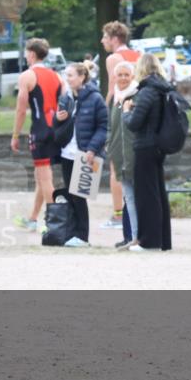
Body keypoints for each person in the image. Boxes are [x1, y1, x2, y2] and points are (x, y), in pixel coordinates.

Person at [11, 37, 63, 232]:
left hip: (40, 130)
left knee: (45, 177)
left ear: (31, 54)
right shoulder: (57, 76)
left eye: (26, 53)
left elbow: (21, 109)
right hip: (56, 129)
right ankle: (33, 218)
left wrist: (15, 134)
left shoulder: (27, 76)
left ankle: (54, 223)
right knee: (40, 176)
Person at [122, 53, 172, 252]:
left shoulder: (147, 91)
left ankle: (148, 241)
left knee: (146, 195)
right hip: (158, 146)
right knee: (158, 193)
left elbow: (134, 124)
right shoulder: (161, 89)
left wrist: (127, 110)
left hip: (145, 146)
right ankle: (162, 239)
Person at [55, 62, 108, 247]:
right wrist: (58, 118)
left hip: (85, 154)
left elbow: (103, 127)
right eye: (66, 75)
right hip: (66, 153)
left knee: (79, 195)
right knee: (69, 195)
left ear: (82, 77)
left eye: (70, 75)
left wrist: (92, 149)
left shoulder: (95, 99)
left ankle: (82, 236)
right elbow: (59, 125)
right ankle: (70, 233)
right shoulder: (66, 97)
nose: (67, 79)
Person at [100, 21, 141, 230]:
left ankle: (118, 214)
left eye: (105, 37)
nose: (102, 41)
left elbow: (111, 89)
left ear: (114, 39)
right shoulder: (139, 55)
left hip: (120, 112)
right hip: (139, 113)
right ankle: (136, 210)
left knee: (116, 163)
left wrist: (103, 113)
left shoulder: (114, 58)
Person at [106, 61, 139, 250]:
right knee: (128, 197)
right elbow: (111, 126)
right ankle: (128, 235)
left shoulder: (135, 96)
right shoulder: (115, 99)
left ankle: (136, 236)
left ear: (132, 77)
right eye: (120, 75)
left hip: (133, 155)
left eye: (127, 74)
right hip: (119, 156)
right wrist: (109, 145)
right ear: (115, 77)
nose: (124, 78)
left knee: (134, 197)